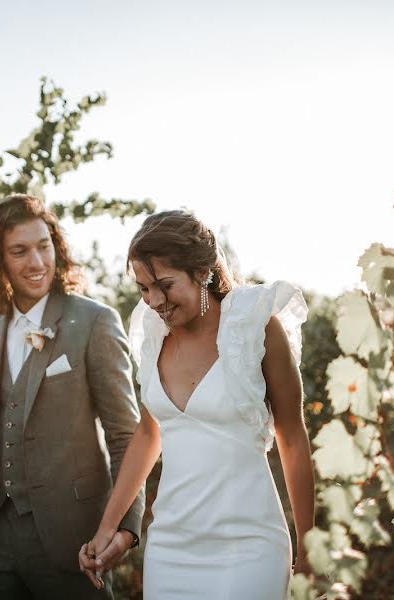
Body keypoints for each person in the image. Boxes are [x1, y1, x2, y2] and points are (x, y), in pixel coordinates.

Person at [78, 210, 317, 599]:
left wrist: (310, 548)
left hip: (250, 544)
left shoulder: (255, 323)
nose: (154, 301)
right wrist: (108, 527)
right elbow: (148, 433)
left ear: (203, 270)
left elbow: (291, 436)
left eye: (164, 285)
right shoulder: (153, 334)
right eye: (143, 288)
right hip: (171, 546)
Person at [0, 193, 145, 599]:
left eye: (44, 246)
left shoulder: (95, 322)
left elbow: (126, 437)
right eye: (20, 251)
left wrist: (125, 529)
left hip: (72, 537)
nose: (37, 262)